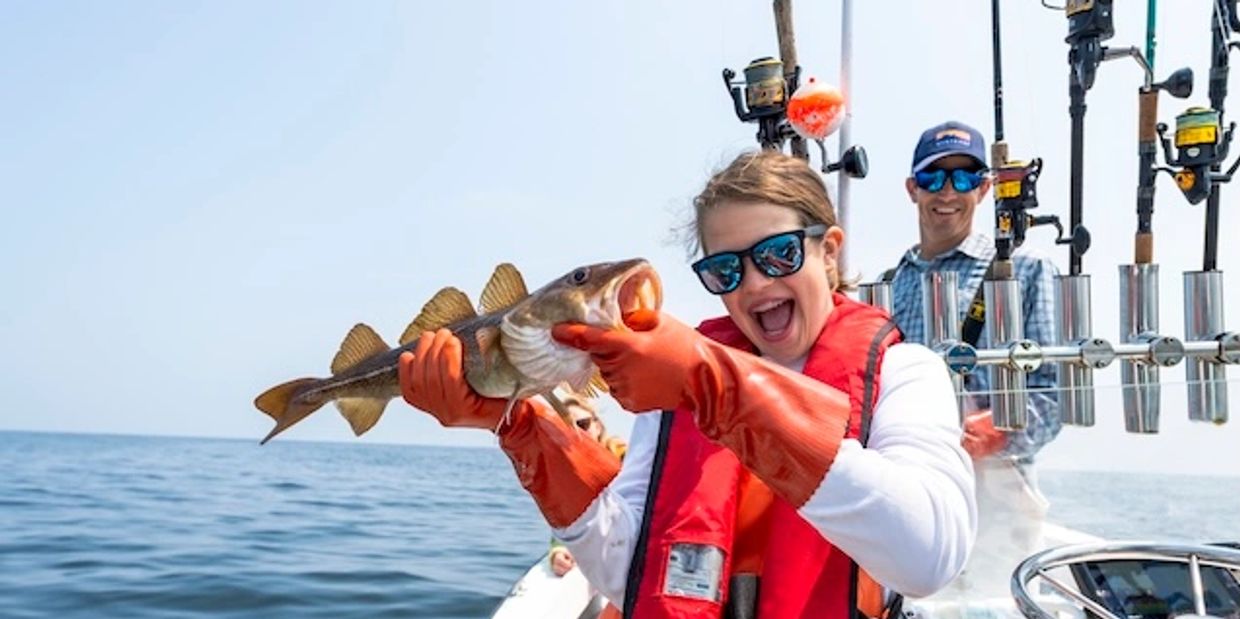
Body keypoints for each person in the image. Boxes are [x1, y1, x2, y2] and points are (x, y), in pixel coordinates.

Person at [397, 150, 976, 618]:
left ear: (828, 251)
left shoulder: (907, 372)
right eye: (725, 270)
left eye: (776, 255)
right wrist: (520, 425)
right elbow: (627, 574)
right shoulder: (670, 388)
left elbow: (928, 559)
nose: (752, 285)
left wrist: (712, 386)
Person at [884, 120, 1062, 597]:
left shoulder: (1027, 268)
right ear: (911, 189)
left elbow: (1055, 395)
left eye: (964, 178)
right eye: (933, 177)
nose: (948, 191)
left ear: (985, 189)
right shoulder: (888, 283)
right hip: (908, 492)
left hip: (997, 501)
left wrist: (995, 431)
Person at [549, 395, 627, 579]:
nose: (577, 432)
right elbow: (565, 521)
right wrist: (557, 551)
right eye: (567, 428)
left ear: (598, 426)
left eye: (583, 424)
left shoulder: (625, 455)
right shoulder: (568, 473)